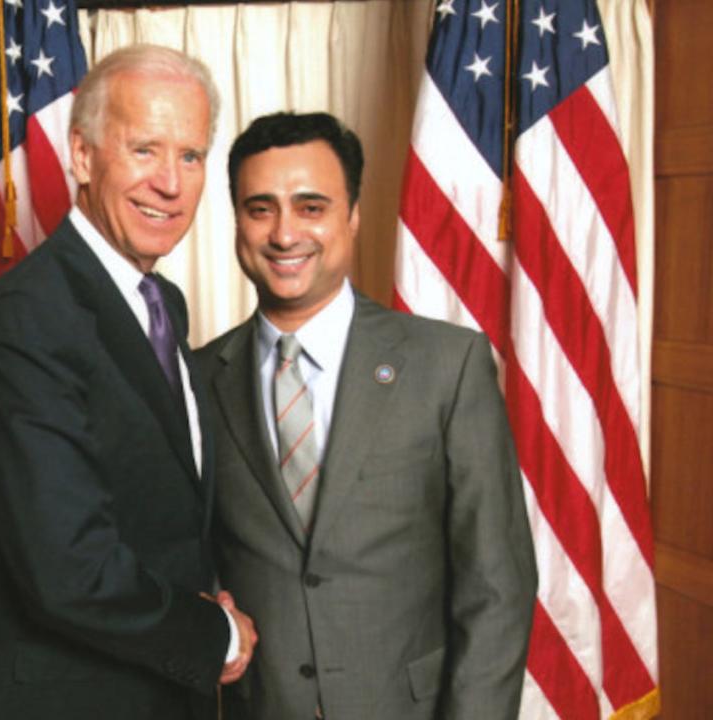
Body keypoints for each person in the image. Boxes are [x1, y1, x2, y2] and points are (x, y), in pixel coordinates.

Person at [195, 112, 537, 720]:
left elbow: (497, 587)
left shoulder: (446, 365)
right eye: (260, 208)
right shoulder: (196, 379)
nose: (284, 233)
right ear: (238, 223)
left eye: (311, 207)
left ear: (351, 216)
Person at [0, 45, 256, 720]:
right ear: (83, 157)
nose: (171, 184)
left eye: (191, 155)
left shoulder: (161, 304)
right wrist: (217, 634)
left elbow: (161, 516)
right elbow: (68, 569)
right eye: (145, 149)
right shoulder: (27, 316)